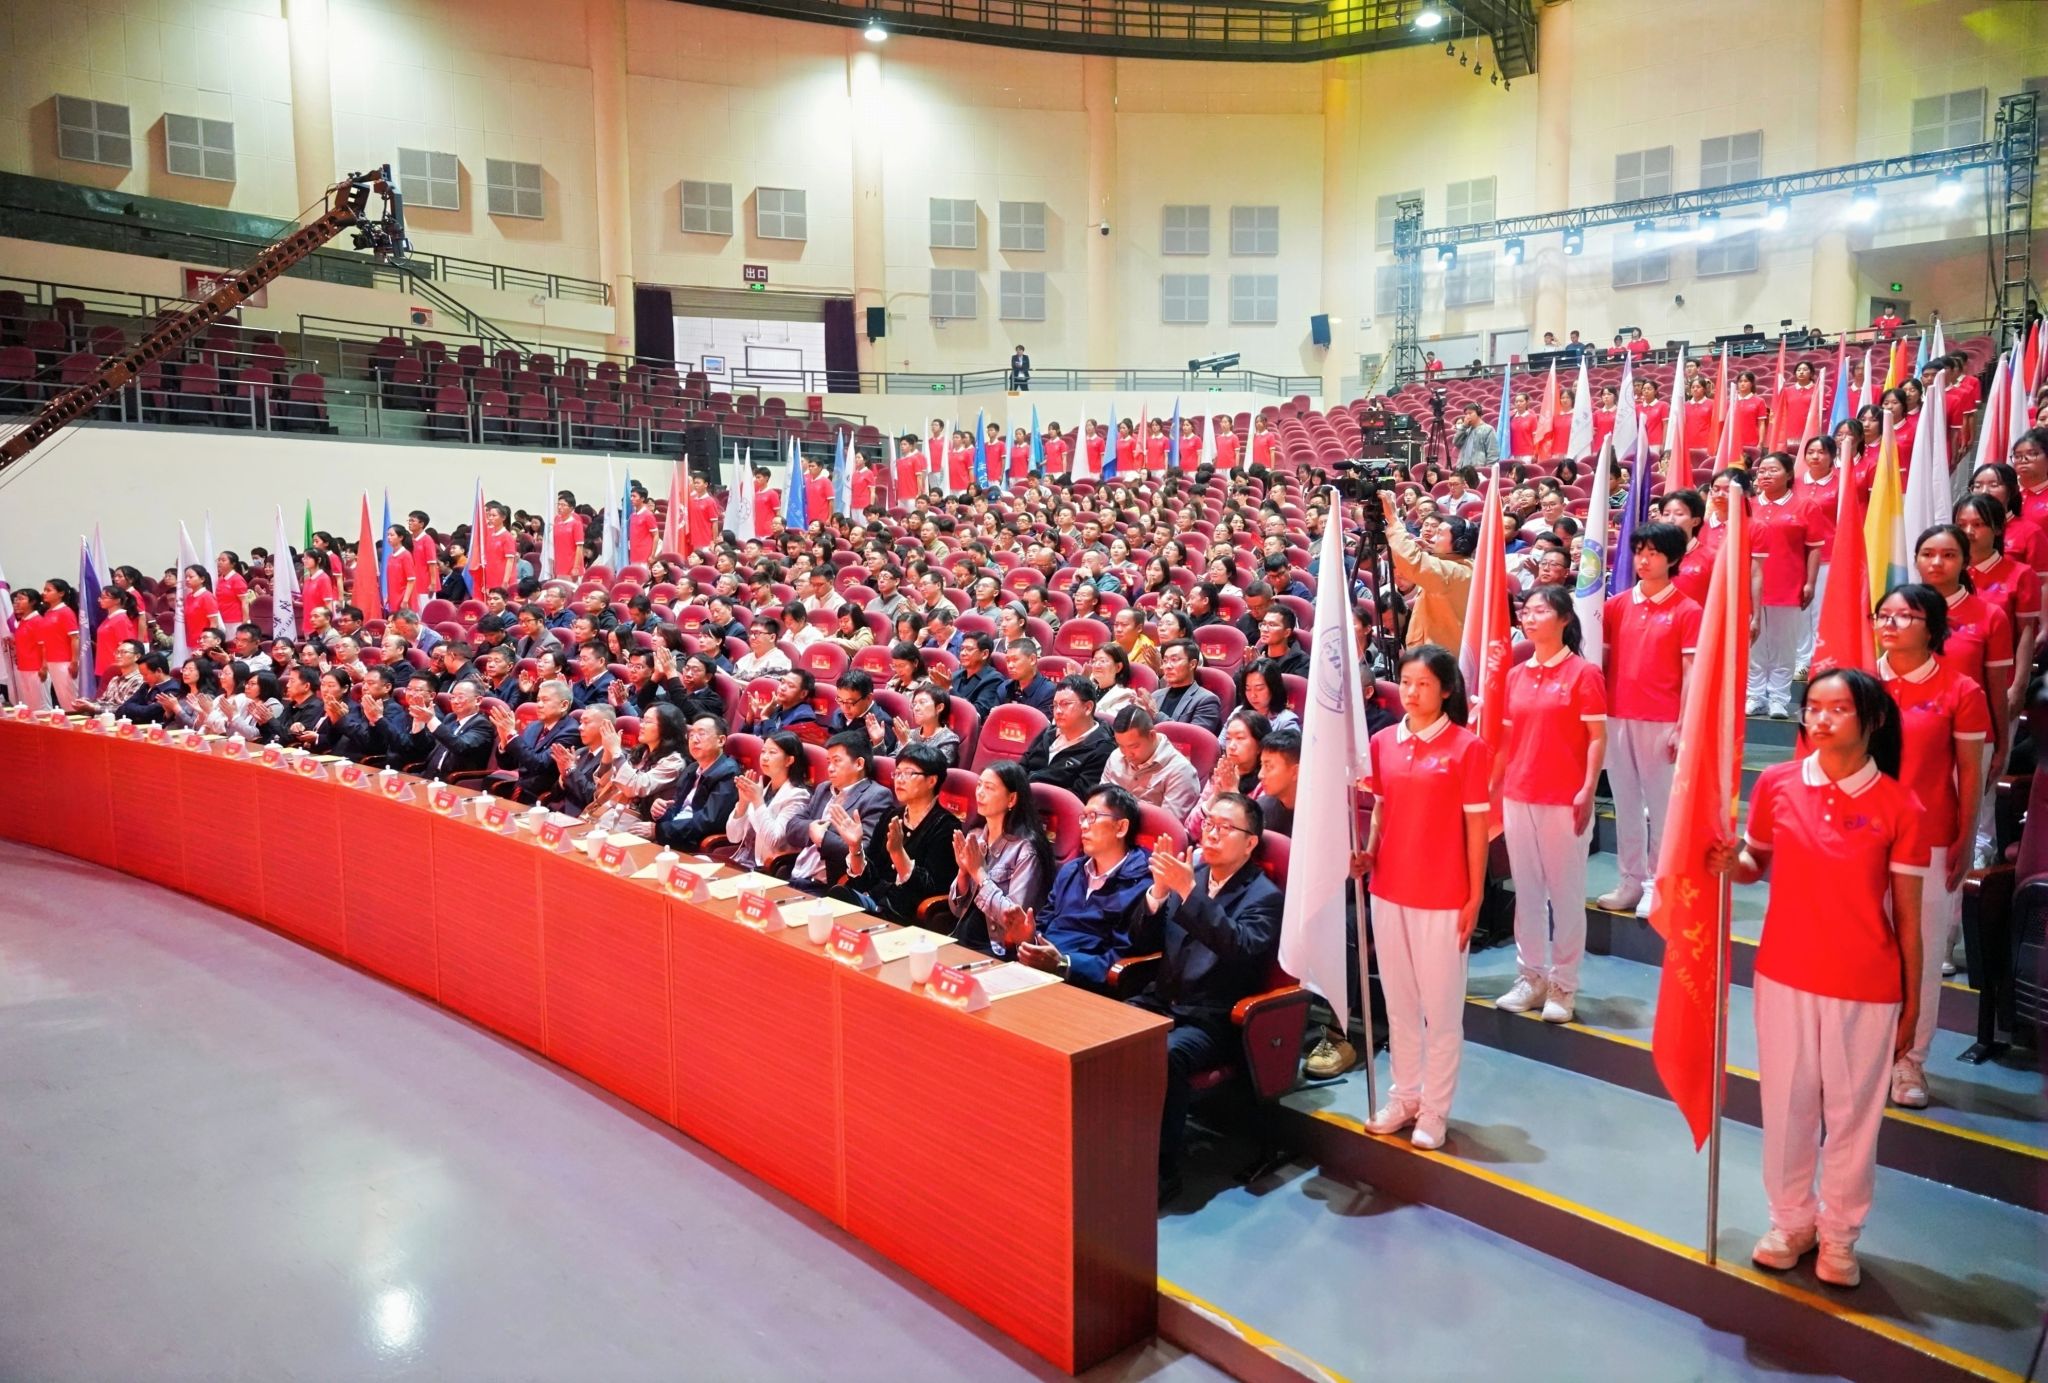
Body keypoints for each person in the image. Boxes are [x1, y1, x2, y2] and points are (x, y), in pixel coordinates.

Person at [1708, 669, 1927, 1289]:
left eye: (1838, 708)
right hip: (1785, 973)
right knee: (1786, 1107)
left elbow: (1909, 921)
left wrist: (1912, 1005)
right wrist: (1730, 861)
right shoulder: (1777, 784)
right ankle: (1790, 1222)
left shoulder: (1900, 805)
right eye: (1812, 707)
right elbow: (1755, 863)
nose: (1821, 719)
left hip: (1866, 985)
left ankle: (1839, 1235)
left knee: (1853, 1119)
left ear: (1872, 720)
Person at [1357, 645, 1492, 1150]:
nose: (1412, 693)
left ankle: (1435, 1110)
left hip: (1443, 895)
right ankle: (1405, 1096)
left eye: (1424, 684)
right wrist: (1370, 853)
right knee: (1400, 1005)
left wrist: (1474, 895)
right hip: (1388, 890)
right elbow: (1380, 809)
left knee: (1442, 1012)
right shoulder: (1382, 742)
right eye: (1406, 683)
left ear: (1446, 690)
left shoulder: (1467, 748)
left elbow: (1477, 830)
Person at [1126, 791, 1283, 1200]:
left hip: (1212, 1018)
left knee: (1166, 1055)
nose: (1211, 834)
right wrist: (1159, 893)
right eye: (1209, 824)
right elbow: (1140, 941)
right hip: (1162, 999)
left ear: (1250, 843)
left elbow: (1240, 947)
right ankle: (1112, 1145)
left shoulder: (1264, 896)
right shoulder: (1189, 876)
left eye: (1224, 828)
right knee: (1107, 1034)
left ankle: (1162, 1171)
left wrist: (1188, 893)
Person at [1872, 583, 1986, 1104]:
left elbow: (1970, 773)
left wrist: (1964, 837)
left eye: (1905, 616)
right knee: (1866, 948)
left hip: (1929, 840)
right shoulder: (1860, 683)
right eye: (1884, 615)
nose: (1890, 624)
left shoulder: (1961, 690)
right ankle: (1867, 1053)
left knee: (1919, 954)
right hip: (1861, 838)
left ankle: (1910, 1062)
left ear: (1933, 627)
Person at [1492, 586, 1608, 1024]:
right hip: (1519, 795)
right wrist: (1494, 787)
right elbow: (1507, 741)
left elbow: (1596, 738)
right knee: (1527, 892)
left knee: (1565, 895)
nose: (1530, 617)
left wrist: (1587, 788)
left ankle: (1564, 984)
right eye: (1526, 611)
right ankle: (1531, 976)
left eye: (1540, 611)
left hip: (1564, 798)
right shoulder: (1515, 676)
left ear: (1564, 619)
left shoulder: (1583, 673)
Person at [1599, 522, 1701, 917]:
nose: (1644, 560)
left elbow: (1691, 674)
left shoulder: (1687, 610)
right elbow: (1602, 661)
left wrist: (1682, 724)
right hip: (1617, 716)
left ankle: (1658, 884)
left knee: (1660, 809)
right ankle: (1630, 881)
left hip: (1661, 719)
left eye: (1653, 553)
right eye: (1640, 551)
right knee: (1625, 804)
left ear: (1672, 559)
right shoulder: (1616, 606)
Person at [826, 740, 960, 923]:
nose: (899, 779)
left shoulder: (946, 826)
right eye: (897, 773)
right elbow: (867, 879)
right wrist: (855, 847)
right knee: (836, 900)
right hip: (873, 904)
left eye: (909, 773)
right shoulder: (891, 816)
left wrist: (898, 854)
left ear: (931, 781)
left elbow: (931, 889)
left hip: (907, 917)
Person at [946, 760, 1054, 955]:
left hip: (995, 947)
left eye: (989, 788)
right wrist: (963, 872)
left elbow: (1013, 921)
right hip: (961, 935)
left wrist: (978, 873)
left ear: (1011, 799)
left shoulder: (1025, 850)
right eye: (979, 785)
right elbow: (956, 909)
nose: (980, 792)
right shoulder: (976, 836)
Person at [1748, 453, 1819, 719]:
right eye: (1762, 471)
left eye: (1773, 470)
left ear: (1789, 475)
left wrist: (1810, 582)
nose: (1765, 475)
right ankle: (1755, 695)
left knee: (1783, 645)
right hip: (1751, 587)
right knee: (1754, 645)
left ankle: (1778, 698)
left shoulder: (1805, 506)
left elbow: (1814, 548)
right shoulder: (1748, 506)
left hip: (1788, 584)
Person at [789, 731, 897, 887]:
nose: (830, 768)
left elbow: (865, 850)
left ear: (859, 764)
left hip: (826, 885)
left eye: (837, 761)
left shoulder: (876, 796)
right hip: (795, 874)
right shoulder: (824, 789)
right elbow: (792, 826)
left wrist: (823, 838)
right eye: (828, 762)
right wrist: (811, 828)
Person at [1381, 489, 1473, 651]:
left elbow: (1413, 561)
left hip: (1441, 656)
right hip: (1428, 650)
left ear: (1460, 544)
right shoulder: (1452, 565)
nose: (1433, 538)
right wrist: (1433, 550)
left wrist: (1393, 519)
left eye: (1440, 534)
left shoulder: (1458, 572)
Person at [726, 731, 814, 872]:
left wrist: (757, 801)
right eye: (763, 752)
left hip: (766, 868)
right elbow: (733, 837)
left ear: (789, 760)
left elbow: (774, 841)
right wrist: (743, 802)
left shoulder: (798, 796)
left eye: (772, 752)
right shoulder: (762, 788)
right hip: (742, 860)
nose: (765, 757)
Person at [655, 714, 741, 852]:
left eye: (701, 734)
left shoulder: (729, 773)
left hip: (692, 842)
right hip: (674, 834)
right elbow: (677, 808)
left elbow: (709, 821)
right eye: (691, 735)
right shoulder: (692, 768)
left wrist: (659, 831)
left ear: (721, 741)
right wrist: (661, 812)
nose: (694, 740)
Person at [487, 677, 581, 801]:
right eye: (538, 700)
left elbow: (539, 765)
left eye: (545, 700)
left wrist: (512, 735)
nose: (539, 705)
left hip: (544, 798)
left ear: (564, 705)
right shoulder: (533, 726)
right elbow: (509, 765)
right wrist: (504, 742)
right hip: (520, 790)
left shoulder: (571, 731)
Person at [1101, 705, 1201, 820]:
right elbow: (1101, 801)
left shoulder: (1180, 772)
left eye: (1134, 746)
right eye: (1121, 746)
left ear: (1152, 736)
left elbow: (1168, 824)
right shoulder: (1116, 756)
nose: (1127, 754)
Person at [1021, 675, 1115, 795]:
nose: (1058, 711)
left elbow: (1079, 796)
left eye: (1065, 704)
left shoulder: (1102, 749)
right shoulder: (1049, 732)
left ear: (1087, 708)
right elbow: (1022, 767)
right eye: (1055, 705)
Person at [1145, 639, 1223, 734]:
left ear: (1192, 664)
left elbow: (1193, 737)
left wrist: (1156, 715)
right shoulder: (1155, 696)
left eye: (1174, 660)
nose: (1168, 666)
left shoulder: (1206, 700)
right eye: (1165, 661)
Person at [745, 668, 827, 744]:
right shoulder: (777, 709)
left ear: (803, 694)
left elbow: (778, 745)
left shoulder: (804, 717)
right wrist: (750, 718)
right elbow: (753, 737)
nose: (782, 688)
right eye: (782, 682)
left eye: (790, 686)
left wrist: (765, 717)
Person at [892, 682, 960, 765]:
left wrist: (907, 743)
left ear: (939, 708)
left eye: (922, 702)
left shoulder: (948, 739)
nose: (916, 708)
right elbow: (891, 762)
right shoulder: (909, 733)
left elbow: (936, 767)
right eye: (914, 704)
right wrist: (879, 742)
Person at [952, 631, 1007, 719]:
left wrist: (949, 689)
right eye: (962, 649)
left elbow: (978, 712)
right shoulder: (955, 675)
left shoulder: (993, 679)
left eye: (969, 649)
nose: (962, 653)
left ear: (984, 654)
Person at [1001, 638, 1058, 715]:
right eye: (1008, 661)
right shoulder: (1004, 687)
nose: (1010, 666)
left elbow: (1042, 722)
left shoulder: (1048, 692)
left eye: (1015, 660)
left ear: (1032, 659)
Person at [1238, 662, 1297, 735]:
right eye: (1248, 689)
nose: (1252, 695)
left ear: (1273, 688)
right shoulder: (1238, 712)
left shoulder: (1286, 722)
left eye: (1259, 689)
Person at [1087, 643, 1138, 721]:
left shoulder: (1126, 695)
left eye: (1102, 661)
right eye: (1094, 661)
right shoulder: (1089, 690)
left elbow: (1108, 721)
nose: (1096, 665)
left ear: (1118, 667)